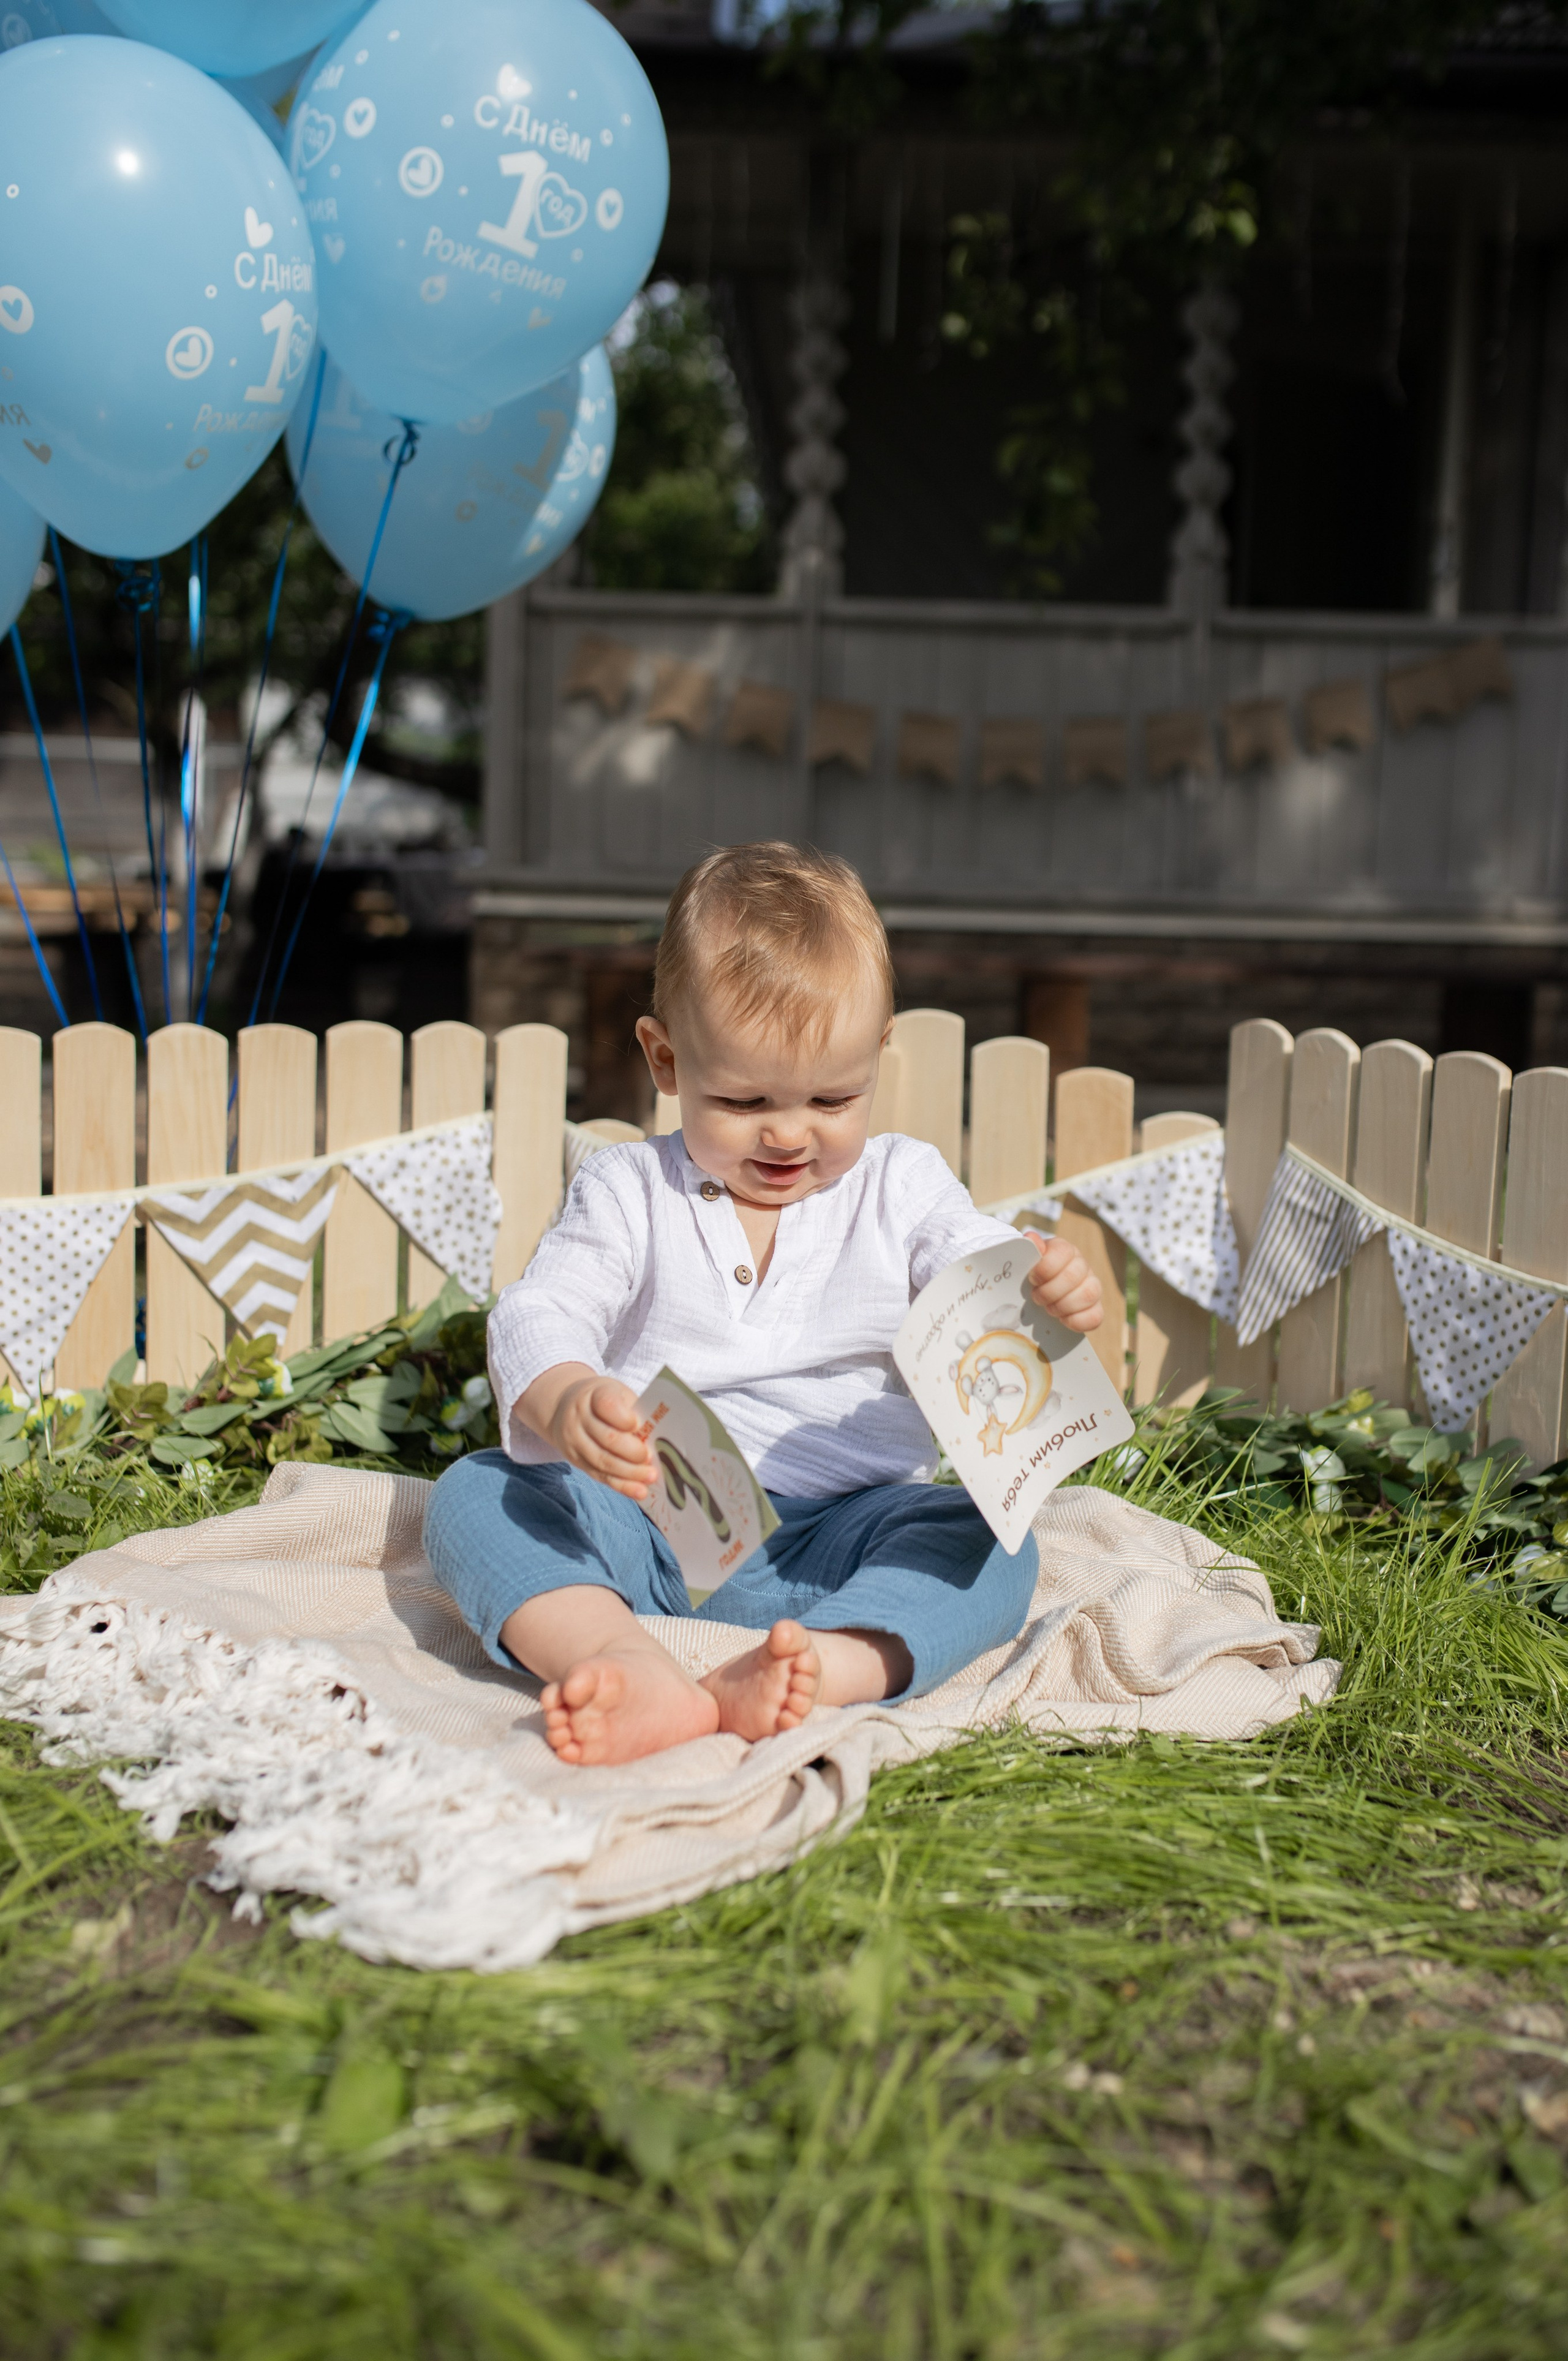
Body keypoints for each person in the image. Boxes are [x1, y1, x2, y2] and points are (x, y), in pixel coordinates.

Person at [423, 843, 1102, 1765]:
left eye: (834, 1095)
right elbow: (543, 1308)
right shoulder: (628, 1188)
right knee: (478, 1494)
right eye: (743, 1099)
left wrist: (1034, 1282)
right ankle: (621, 1661)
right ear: (666, 1059)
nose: (789, 1131)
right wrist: (568, 1393)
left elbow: (968, 1256)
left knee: (995, 1543)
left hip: (852, 1529)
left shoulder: (902, 1184)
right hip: (656, 1515)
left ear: (879, 1056)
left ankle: (822, 1665)